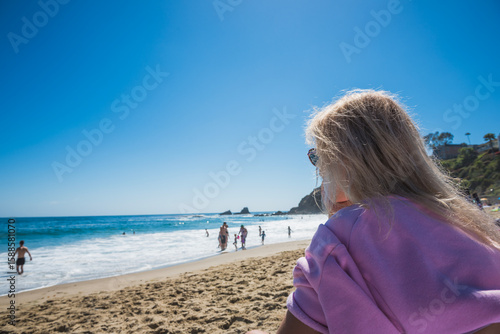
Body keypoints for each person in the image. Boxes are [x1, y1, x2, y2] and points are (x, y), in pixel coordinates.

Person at [247, 90, 500, 334]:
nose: (319, 172)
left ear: (346, 165)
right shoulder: (477, 231)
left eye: (321, 159)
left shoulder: (339, 243)